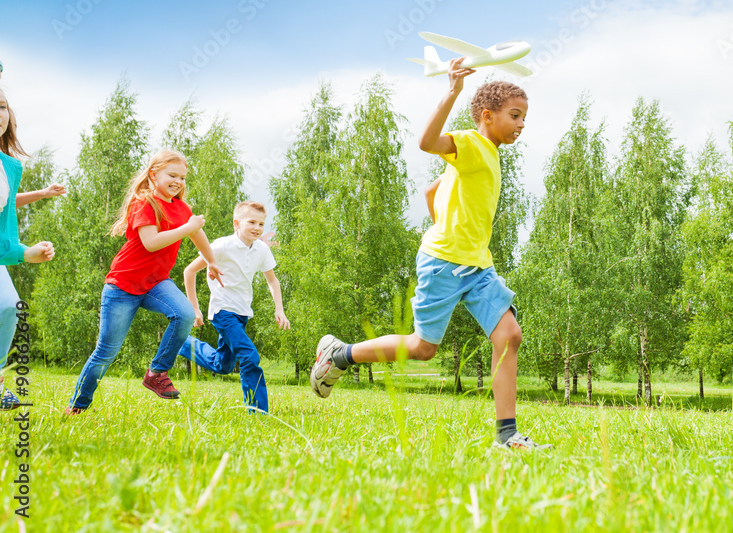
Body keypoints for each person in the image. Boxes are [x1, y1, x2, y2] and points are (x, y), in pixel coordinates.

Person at [310, 58, 550, 450]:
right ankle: (341, 355)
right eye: (516, 115)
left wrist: (451, 226)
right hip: (445, 263)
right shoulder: (472, 144)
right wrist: (452, 91)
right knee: (424, 348)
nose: (522, 123)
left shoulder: (488, 152)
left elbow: (431, 192)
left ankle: (507, 437)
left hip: (477, 266)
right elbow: (426, 143)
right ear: (487, 116)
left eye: (524, 116)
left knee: (509, 336)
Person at [66, 150, 223, 413]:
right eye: (172, 175)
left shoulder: (182, 209)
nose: (178, 181)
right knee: (105, 353)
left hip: (155, 284)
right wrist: (188, 227)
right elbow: (151, 243)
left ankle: (156, 373)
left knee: (184, 314)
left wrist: (212, 262)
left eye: (182, 177)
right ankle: (78, 406)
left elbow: (199, 237)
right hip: (122, 287)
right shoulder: (144, 203)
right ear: (153, 174)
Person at [178, 201, 290, 414]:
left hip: (242, 313)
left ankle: (183, 343)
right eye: (252, 222)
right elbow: (189, 271)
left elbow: (272, 281)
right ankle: (257, 412)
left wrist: (279, 309)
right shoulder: (222, 246)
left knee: (224, 365)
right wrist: (195, 308)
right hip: (223, 311)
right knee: (249, 357)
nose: (257, 227)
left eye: (261, 223)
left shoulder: (262, 250)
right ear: (236, 223)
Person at [0, 78, 60, 410]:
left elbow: (4, 220)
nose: (0, 112)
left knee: (8, 306)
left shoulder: (9, 166)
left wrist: (25, 252)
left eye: (3, 105)